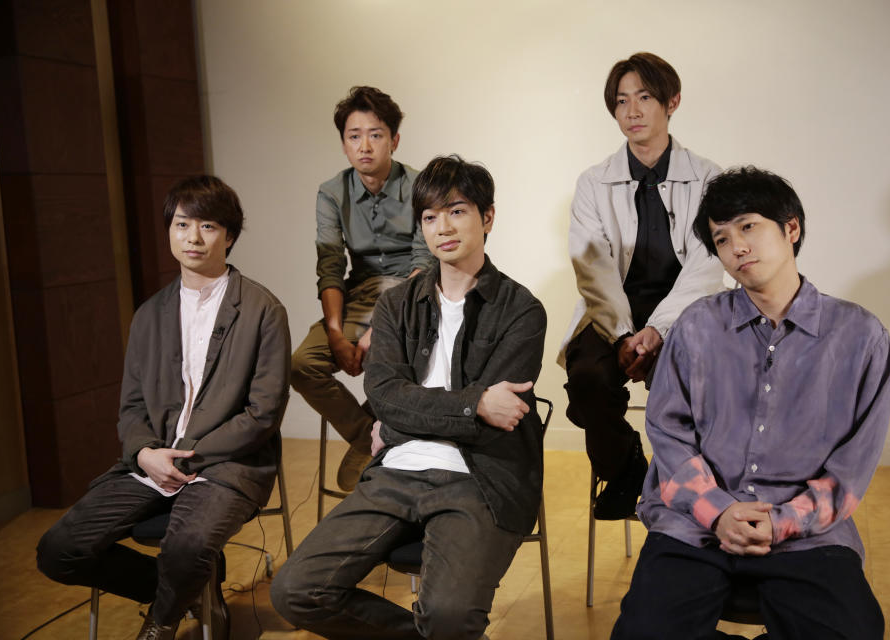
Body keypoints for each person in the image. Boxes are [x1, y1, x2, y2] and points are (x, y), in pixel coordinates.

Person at [611, 167, 890, 639]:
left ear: (791, 228)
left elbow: (851, 470)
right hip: (696, 526)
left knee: (853, 632)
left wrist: (783, 522)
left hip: (808, 535)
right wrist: (720, 512)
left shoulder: (861, 338)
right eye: (721, 239)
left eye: (748, 227)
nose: (736, 247)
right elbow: (669, 436)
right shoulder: (696, 327)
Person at [271, 155, 547, 640]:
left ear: (487, 217)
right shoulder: (397, 304)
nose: (442, 227)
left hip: (478, 476)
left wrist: (400, 419)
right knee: (294, 591)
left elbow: (494, 416)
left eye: (457, 211)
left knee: (449, 614)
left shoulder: (522, 310)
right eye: (430, 216)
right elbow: (384, 394)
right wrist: (470, 403)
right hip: (396, 472)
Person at [36, 176, 291, 640]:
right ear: (169, 231)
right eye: (182, 224)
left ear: (229, 236)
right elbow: (131, 406)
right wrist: (143, 454)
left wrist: (189, 453)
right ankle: (183, 591)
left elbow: (263, 413)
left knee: (188, 545)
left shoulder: (262, 310)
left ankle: (162, 620)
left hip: (226, 464)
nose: (193, 238)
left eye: (208, 226)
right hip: (152, 459)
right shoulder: (149, 314)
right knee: (59, 549)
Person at [560, 52, 725, 520]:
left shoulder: (708, 177)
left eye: (644, 98)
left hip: (686, 312)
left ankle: (684, 487)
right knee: (589, 376)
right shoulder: (594, 182)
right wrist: (622, 335)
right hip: (614, 309)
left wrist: (659, 330)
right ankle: (625, 466)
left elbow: (707, 264)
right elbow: (593, 269)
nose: (631, 112)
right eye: (621, 101)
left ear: (671, 101)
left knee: (693, 385)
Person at [291, 86, 434, 491]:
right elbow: (331, 265)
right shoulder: (332, 193)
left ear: (394, 140)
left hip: (416, 294)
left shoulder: (422, 184)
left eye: (375, 134)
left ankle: (393, 455)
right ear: (343, 144)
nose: (365, 145)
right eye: (354, 136)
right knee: (302, 363)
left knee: (389, 358)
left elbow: (425, 264)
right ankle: (367, 435)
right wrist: (336, 333)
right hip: (361, 294)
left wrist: (379, 330)